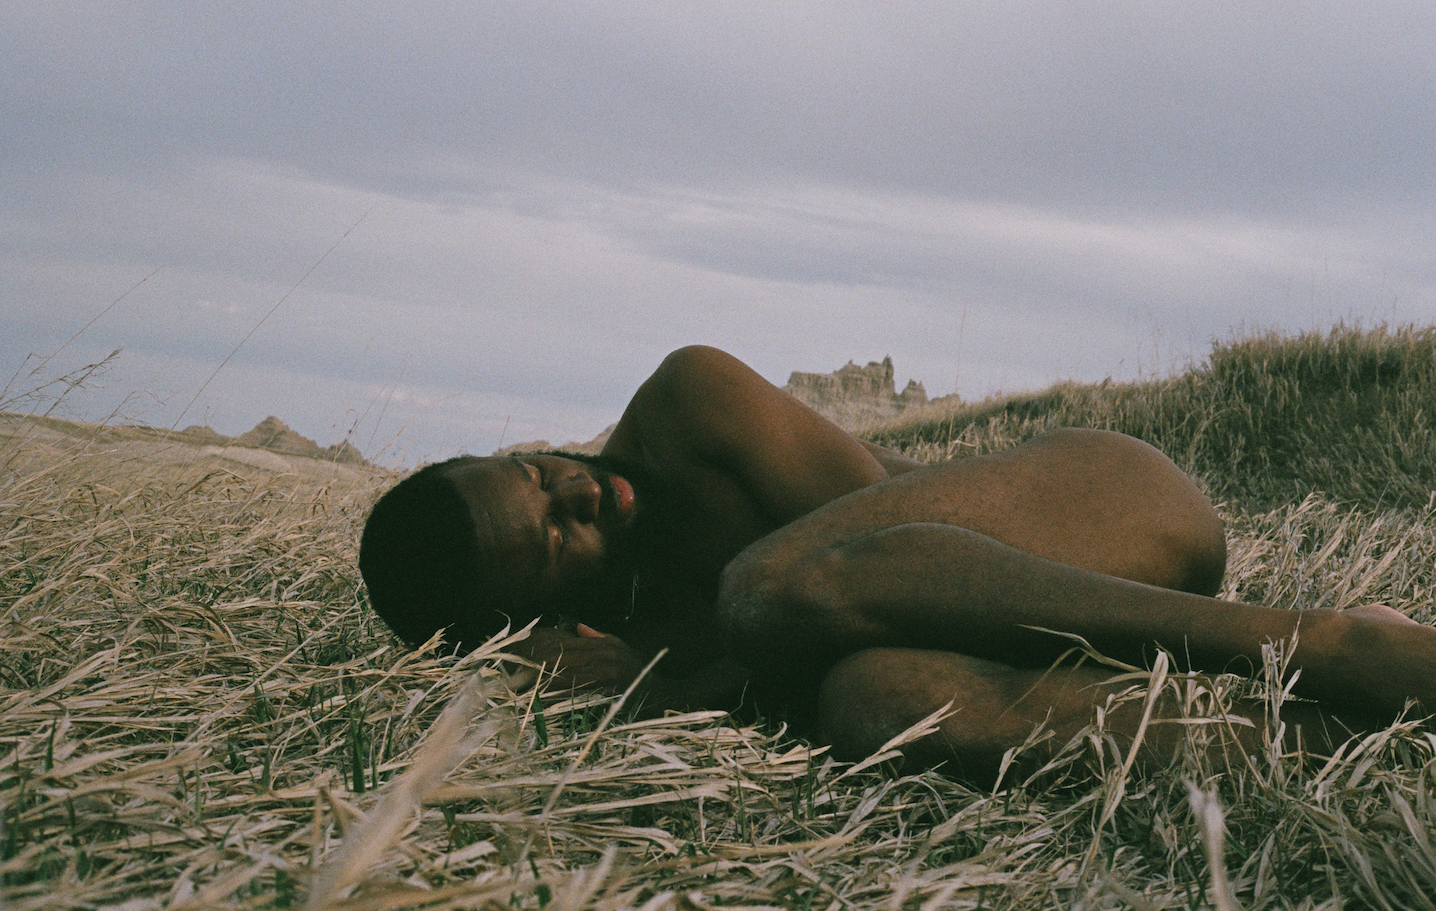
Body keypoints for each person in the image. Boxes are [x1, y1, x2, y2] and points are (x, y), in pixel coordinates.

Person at [360, 346, 1435, 782]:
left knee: (768, 593)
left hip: (1107, 500)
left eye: (532, 471)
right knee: (876, 699)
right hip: (1045, 621)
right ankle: (1328, 733)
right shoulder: (615, 641)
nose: (578, 486)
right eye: (557, 539)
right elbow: (883, 651)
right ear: (532, 619)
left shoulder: (690, 407)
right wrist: (628, 680)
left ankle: (1327, 644)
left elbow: (873, 571)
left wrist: (678, 687)